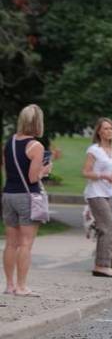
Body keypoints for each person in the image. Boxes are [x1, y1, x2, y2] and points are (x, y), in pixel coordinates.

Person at [3, 104, 52, 295]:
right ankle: (22, 286)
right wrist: (45, 171)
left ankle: (9, 285)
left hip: (9, 194)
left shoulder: (10, 142)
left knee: (11, 243)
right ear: (37, 122)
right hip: (27, 196)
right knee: (25, 243)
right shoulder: (36, 146)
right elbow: (33, 177)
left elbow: (7, 170)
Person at [82, 117, 112, 278]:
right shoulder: (94, 150)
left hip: (108, 192)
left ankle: (100, 265)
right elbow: (85, 172)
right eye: (105, 128)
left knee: (106, 228)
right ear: (99, 131)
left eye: (111, 128)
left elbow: (107, 171)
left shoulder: (111, 150)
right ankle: (103, 265)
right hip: (96, 193)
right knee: (108, 227)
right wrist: (105, 176)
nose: (109, 131)